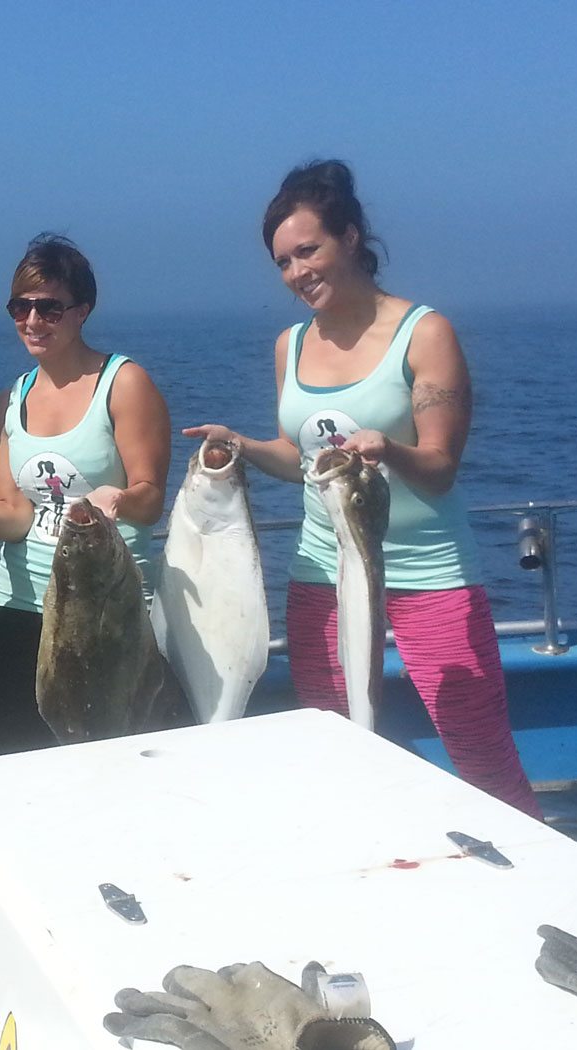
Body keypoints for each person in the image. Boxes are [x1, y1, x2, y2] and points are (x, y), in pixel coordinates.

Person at [185, 160, 541, 818]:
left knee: (479, 751)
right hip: (323, 571)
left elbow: (438, 467)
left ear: (351, 237)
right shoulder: (289, 345)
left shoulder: (424, 333)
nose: (297, 273)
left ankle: (546, 887)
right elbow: (302, 458)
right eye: (284, 263)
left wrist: (389, 447)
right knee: (334, 740)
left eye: (308, 251)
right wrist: (243, 446)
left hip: (429, 572)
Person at [0, 234, 170, 757]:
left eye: (49, 308)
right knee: (11, 755)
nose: (33, 321)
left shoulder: (123, 383)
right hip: (20, 604)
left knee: (112, 758)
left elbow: (151, 500)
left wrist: (117, 498)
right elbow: (16, 515)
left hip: (107, 605)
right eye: (20, 307)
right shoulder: (10, 401)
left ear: (82, 311)